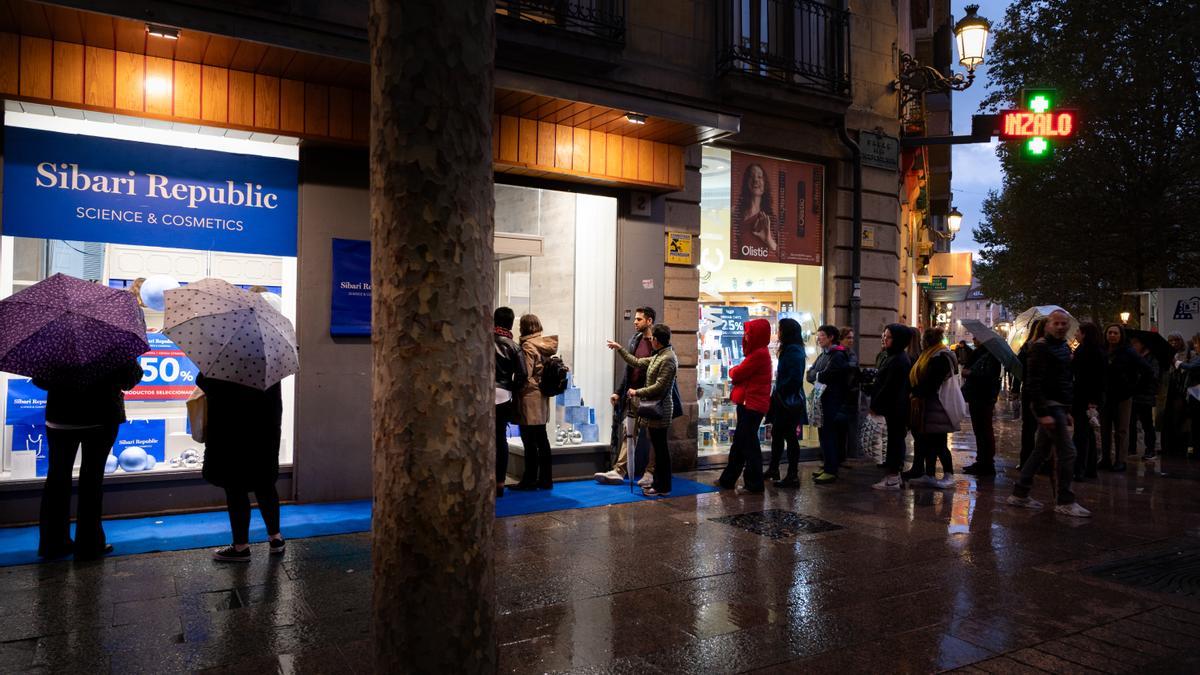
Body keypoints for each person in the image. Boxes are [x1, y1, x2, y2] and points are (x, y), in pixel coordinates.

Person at [36, 359, 144, 560]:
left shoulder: (57, 343)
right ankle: (90, 543)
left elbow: (39, 380)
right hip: (100, 417)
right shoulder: (112, 342)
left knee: (57, 478)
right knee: (92, 480)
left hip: (61, 417)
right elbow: (130, 378)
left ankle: (53, 544)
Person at [1006, 310, 1091, 517]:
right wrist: (1043, 412)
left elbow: (1064, 380)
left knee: (1041, 451)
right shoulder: (1041, 348)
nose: (1061, 327)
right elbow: (1033, 382)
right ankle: (1064, 500)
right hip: (1050, 406)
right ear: (1047, 325)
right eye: (1056, 323)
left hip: (1058, 406)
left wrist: (1067, 409)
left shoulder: (1062, 346)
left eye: (1064, 323)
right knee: (1068, 453)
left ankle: (1020, 493)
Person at [200, 373, 286, 561]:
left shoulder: (226, 361)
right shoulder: (267, 363)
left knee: (235, 488)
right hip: (263, 435)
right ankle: (276, 538)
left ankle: (241, 546)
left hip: (233, 435)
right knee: (265, 485)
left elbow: (204, 383)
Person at [595, 307, 682, 487]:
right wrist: (620, 391)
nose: (635, 322)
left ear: (649, 321)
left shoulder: (664, 353)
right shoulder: (637, 341)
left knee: (655, 440)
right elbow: (632, 367)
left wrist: (639, 392)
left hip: (654, 402)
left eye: (639, 319)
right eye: (635, 319)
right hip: (635, 396)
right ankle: (620, 470)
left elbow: (660, 385)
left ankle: (652, 475)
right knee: (630, 433)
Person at [717, 318, 772, 493]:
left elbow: (738, 373)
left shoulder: (759, 354)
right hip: (750, 404)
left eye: (748, 333)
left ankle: (754, 483)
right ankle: (728, 479)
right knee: (741, 443)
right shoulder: (757, 353)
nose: (745, 336)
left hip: (752, 405)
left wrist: (733, 370)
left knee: (748, 444)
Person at [906, 328, 958, 489]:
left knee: (939, 442)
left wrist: (914, 392)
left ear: (927, 340)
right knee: (929, 441)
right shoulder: (932, 354)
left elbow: (931, 383)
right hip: (929, 405)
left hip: (937, 405)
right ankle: (929, 475)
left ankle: (949, 475)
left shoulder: (939, 357)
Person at [512, 314, 559, 491]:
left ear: (523, 328)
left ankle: (529, 480)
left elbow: (526, 374)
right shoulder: (545, 344)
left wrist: (516, 389)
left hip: (529, 398)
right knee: (542, 439)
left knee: (529, 440)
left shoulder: (527, 346)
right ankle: (546, 480)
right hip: (542, 396)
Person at [1099, 323, 1149, 472]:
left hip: (1123, 396)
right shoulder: (1102, 351)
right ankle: (1106, 458)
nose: (1112, 335)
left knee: (1122, 430)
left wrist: (1134, 388)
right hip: (1105, 396)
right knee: (1105, 429)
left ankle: (1121, 460)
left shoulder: (1129, 352)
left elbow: (1147, 370)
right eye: (1110, 333)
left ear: (1121, 336)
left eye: (1116, 333)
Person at [869, 324, 913, 490]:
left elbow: (888, 387)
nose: (884, 338)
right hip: (893, 407)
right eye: (884, 335)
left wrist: (876, 405)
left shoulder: (899, 359)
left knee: (894, 442)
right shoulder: (892, 356)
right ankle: (893, 476)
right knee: (892, 441)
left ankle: (893, 478)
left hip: (895, 409)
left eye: (888, 336)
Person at [765, 318, 807, 487]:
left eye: (780, 329)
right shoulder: (791, 349)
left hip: (787, 402)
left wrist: (781, 392)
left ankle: (792, 474)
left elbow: (794, 379)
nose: (778, 333)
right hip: (784, 399)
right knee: (778, 435)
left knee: (789, 436)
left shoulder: (793, 351)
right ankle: (774, 469)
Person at [808, 325, 852, 485]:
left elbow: (826, 375)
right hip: (823, 401)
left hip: (833, 401)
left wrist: (817, 375)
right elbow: (809, 374)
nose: (818, 338)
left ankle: (831, 469)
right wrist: (817, 375)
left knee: (829, 435)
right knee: (824, 435)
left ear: (831, 337)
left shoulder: (838, 355)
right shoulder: (823, 355)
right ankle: (827, 465)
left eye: (821, 336)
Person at [493, 307, 527, 498]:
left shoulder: (483, 341)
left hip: (483, 395)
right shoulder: (513, 346)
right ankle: (500, 483)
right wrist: (511, 388)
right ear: (511, 323)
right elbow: (522, 375)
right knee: (500, 440)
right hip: (504, 394)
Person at [961, 336, 1002, 476]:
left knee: (985, 429)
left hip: (983, 396)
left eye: (977, 337)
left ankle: (987, 464)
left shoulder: (991, 354)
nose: (974, 339)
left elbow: (988, 375)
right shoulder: (979, 353)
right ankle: (981, 461)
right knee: (979, 430)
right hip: (976, 395)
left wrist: (970, 372)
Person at [1070, 322, 1106, 479]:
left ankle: (1079, 469)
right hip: (1088, 397)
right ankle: (1090, 468)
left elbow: (1091, 378)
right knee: (1088, 434)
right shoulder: (1095, 351)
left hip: (1084, 398)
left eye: (1078, 331)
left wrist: (1092, 400)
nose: (1076, 333)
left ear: (1085, 334)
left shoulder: (1086, 352)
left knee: (1081, 434)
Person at [1016, 318, 1047, 470]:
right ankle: (1042, 462)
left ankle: (1026, 461)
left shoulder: (1026, 347)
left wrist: (1016, 389)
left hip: (1029, 391)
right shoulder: (1045, 347)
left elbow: (1018, 370)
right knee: (1043, 430)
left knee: (1028, 428)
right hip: (1045, 392)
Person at [1127, 336, 1161, 460]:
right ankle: (1131, 448)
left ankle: (1150, 450)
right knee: (1131, 423)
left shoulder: (1152, 359)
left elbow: (1154, 376)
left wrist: (1141, 375)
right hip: (1133, 395)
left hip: (1146, 395)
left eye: (1135, 343)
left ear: (1142, 344)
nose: (1133, 345)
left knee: (1147, 423)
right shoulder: (1133, 358)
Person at [1161, 333, 1192, 456]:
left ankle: (1181, 447)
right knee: (1167, 418)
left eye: (1176, 340)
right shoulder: (1166, 354)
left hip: (1181, 390)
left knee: (1180, 418)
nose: (1173, 342)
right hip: (1168, 390)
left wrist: (1176, 362)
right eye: (1170, 340)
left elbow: (1187, 369)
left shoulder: (1189, 354)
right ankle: (1168, 446)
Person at [737, 163, 777, 253]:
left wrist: (768, 239)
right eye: (751, 176)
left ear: (765, 183)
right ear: (746, 181)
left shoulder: (772, 220)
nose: (755, 180)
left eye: (759, 177)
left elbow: (783, 256)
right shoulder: (735, 215)